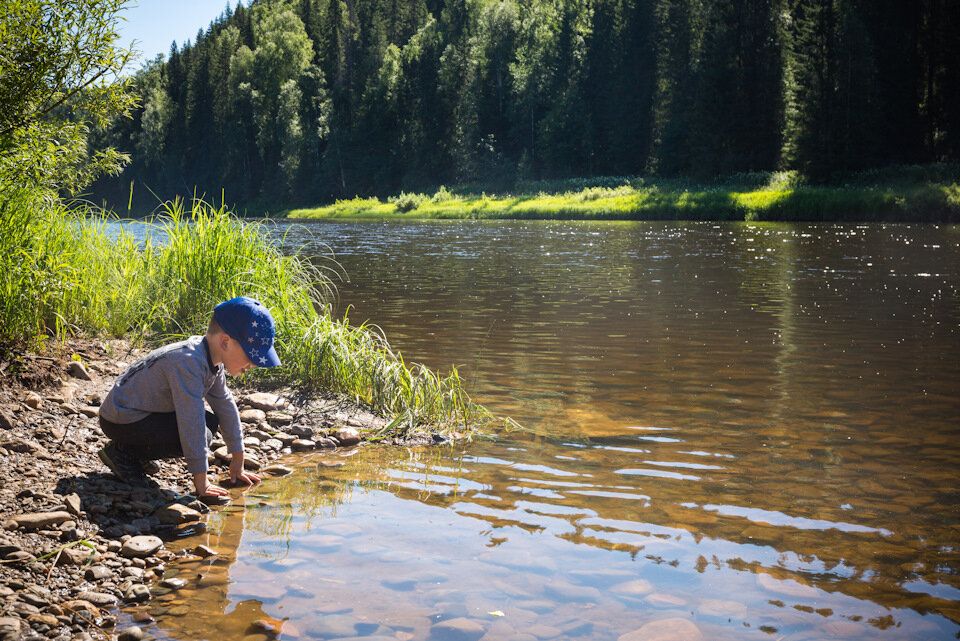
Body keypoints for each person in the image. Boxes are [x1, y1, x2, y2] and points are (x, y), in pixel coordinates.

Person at [97, 296, 281, 499]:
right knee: (201, 431)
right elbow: (190, 419)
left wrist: (238, 459)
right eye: (251, 356)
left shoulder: (211, 358)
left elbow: (225, 404)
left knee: (210, 422)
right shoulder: (188, 363)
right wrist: (202, 483)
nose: (253, 364)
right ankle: (122, 453)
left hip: (142, 413)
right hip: (120, 418)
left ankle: (134, 452)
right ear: (225, 342)